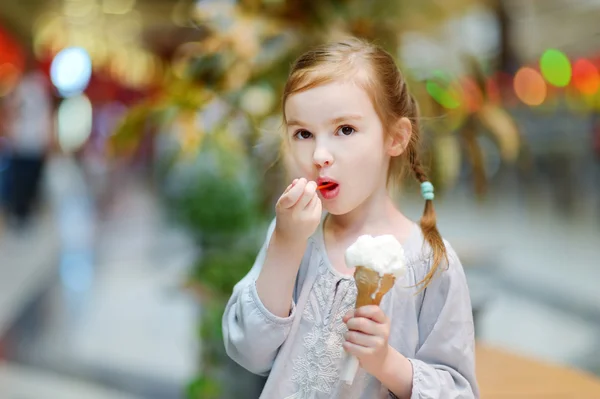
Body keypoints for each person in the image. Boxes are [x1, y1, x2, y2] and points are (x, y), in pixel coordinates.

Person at [222, 38, 479, 399]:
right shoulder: (294, 235)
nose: (320, 154)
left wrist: (386, 362)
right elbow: (249, 351)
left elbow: (459, 390)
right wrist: (285, 244)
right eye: (303, 133)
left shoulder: (430, 262)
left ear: (395, 137)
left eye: (345, 130)